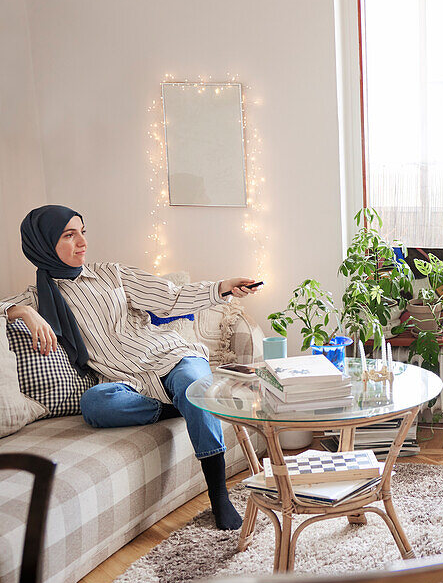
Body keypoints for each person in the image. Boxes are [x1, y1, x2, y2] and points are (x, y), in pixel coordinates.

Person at [1, 205, 260, 530]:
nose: (82, 242)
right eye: (69, 235)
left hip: (172, 357)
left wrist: (222, 287)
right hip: (128, 382)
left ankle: (218, 496)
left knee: (193, 383)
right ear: (43, 243)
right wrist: (24, 312)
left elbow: (171, 297)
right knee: (94, 405)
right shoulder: (38, 297)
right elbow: (0, 308)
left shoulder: (111, 273)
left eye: (83, 232)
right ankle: (181, 406)